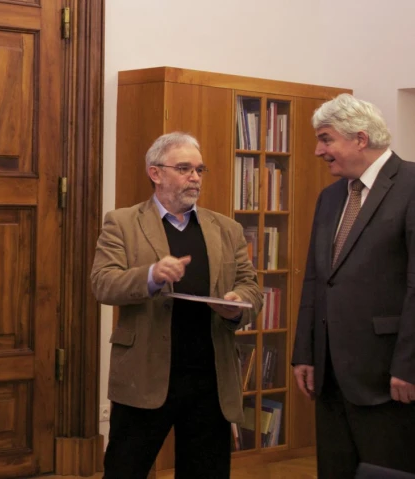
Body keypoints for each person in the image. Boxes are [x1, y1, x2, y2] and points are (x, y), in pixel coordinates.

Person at [91, 132, 263, 478]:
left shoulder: (226, 229)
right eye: (184, 168)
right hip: (145, 375)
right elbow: (103, 284)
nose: (195, 177)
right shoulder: (123, 223)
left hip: (210, 379)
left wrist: (237, 304)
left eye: (199, 169)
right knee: (125, 470)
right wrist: (151, 275)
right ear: (156, 173)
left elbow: (251, 286)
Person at [292, 93, 415, 478]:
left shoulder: (411, 184)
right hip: (330, 378)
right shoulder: (331, 197)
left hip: (387, 378)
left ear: (360, 139)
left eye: (326, 139)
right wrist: (305, 352)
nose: (318, 150)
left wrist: (409, 366)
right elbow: (316, 279)